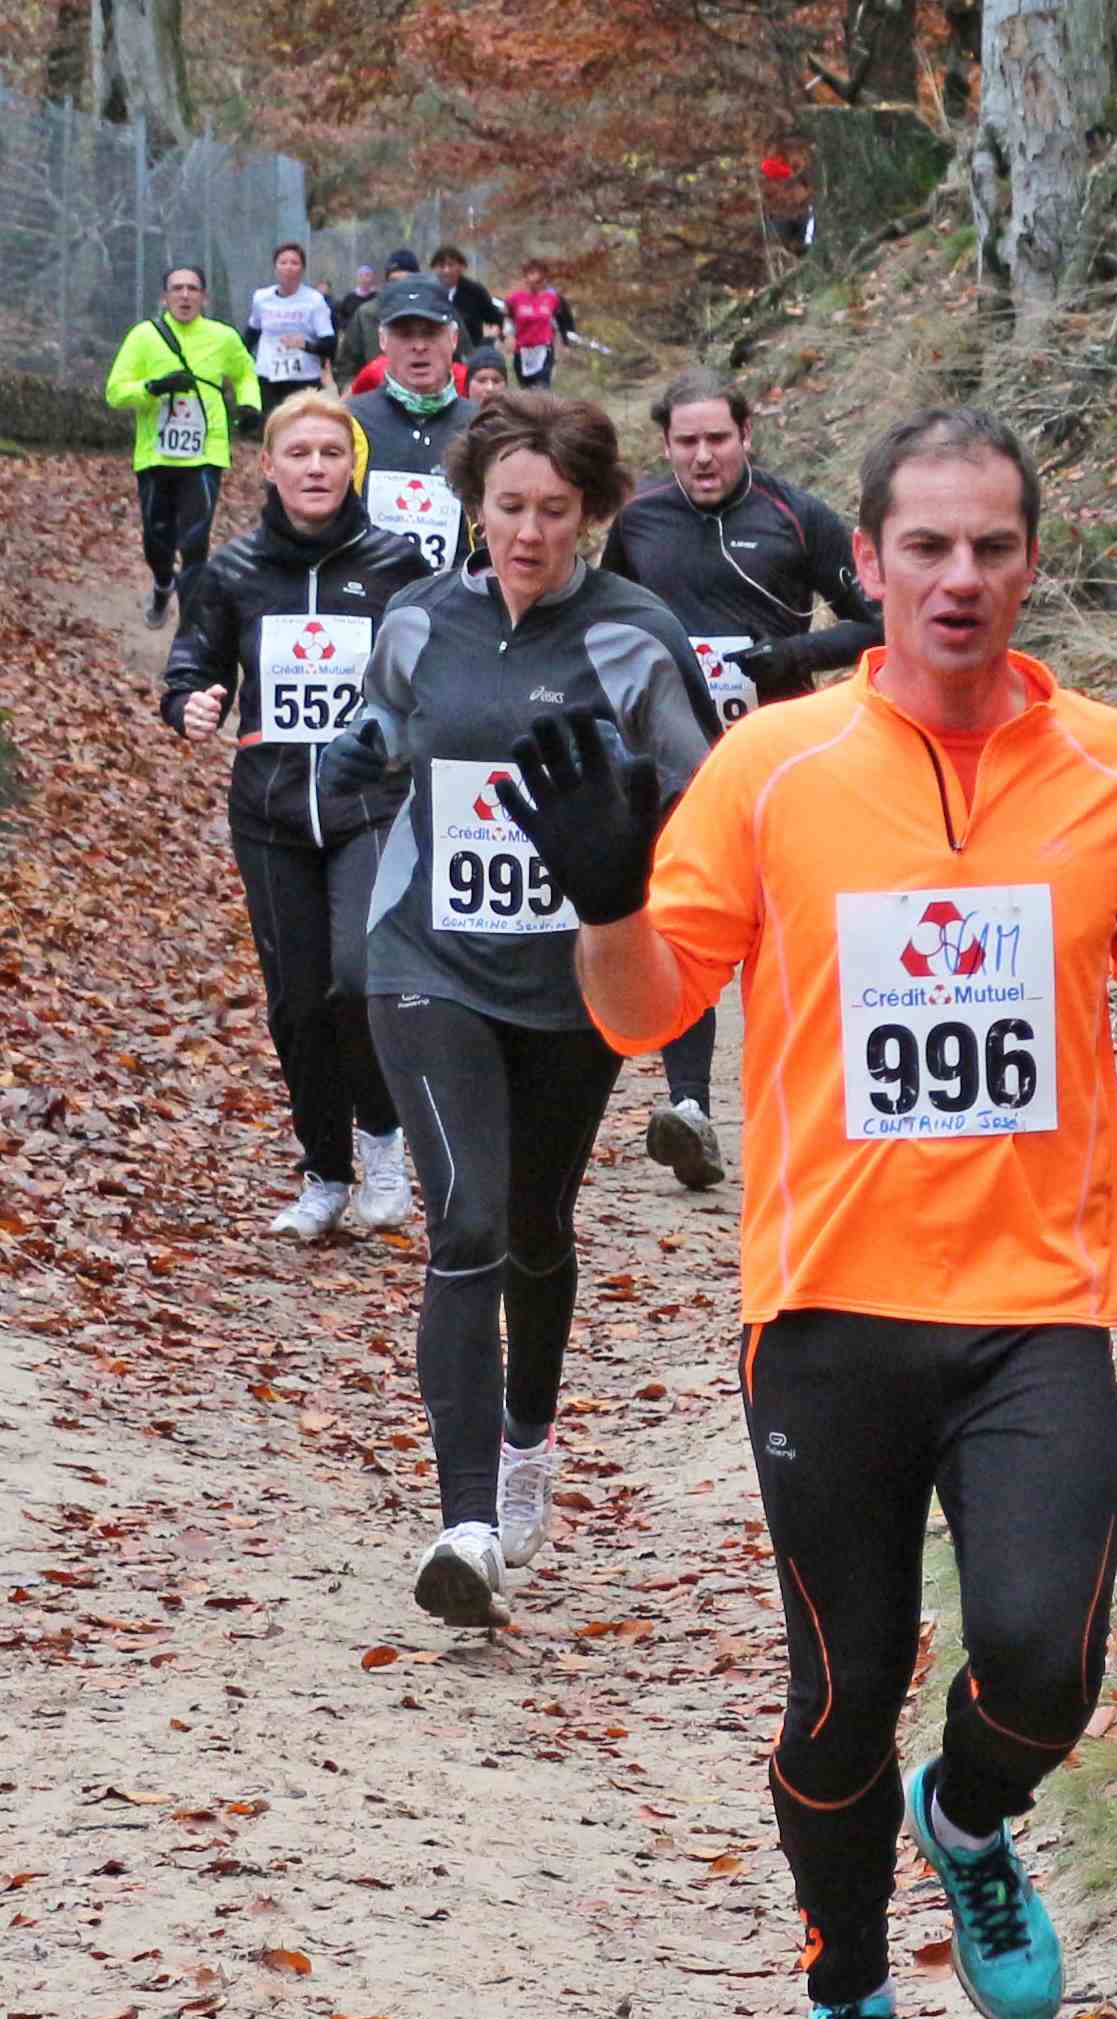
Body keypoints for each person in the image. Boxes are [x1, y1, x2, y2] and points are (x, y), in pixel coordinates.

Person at [523, 406, 1117, 2019]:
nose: (958, 578)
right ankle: (849, 1990)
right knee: (841, 1689)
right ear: (863, 564)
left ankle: (970, 1813)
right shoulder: (773, 770)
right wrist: (604, 899)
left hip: (1035, 1305)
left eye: (990, 547)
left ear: (1030, 564)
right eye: (925, 547)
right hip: (826, 1309)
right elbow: (642, 1014)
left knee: (1044, 1660)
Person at [316, 392, 719, 1627]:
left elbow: (708, 797)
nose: (529, 534)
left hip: (572, 980)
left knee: (539, 1224)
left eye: (554, 511)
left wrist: (625, 848)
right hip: (426, 958)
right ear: (473, 507)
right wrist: (346, 771)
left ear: (590, 513)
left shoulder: (633, 635)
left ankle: (527, 1438)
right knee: (469, 1220)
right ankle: (468, 1526)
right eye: (508, 508)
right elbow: (377, 732)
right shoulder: (419, 619)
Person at [596, 368, 885, 1191]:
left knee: (789, 931)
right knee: (681, 924)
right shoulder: (640, 522)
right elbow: (603, 624)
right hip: (675, 764)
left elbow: (880, 620)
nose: (703, 456)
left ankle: (812, 1109)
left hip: (782, 759)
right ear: (665, 445)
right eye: (686, 442)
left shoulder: (796, 515)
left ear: (746, 436)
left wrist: (793, 654)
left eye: (717, 439)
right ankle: (690, 1109)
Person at [161, 389, 436, 1240]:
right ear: (269, 466)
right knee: (297, 1002)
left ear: (352, 465)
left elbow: (434, 671)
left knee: (358, 976)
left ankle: (382, 1145)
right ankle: (324, 1173)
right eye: (299, 453)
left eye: (331, 453)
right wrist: (190, 704)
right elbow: (192, 665)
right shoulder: (231, 571)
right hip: (271, 812)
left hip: (371, 805)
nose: (316, 467)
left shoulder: (397, 565)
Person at [105, 266, 258, 624]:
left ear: (204, 297)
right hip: (156, 455)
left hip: (205, 455)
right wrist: (153, 388)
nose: (185, 295)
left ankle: (191, 628)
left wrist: (250, 405)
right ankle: (162, 583)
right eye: (177, 289)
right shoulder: (144, 337)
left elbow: (245, 374)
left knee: (194, 542)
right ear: (164, 297)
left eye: (192, 289)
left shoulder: (223, 337)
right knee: (156, 539)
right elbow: (115, 392)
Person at [347, 275, 478, 575]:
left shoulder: (484, 426)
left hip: (458, 594)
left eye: (431, 333)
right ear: (383, 341)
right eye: (405, 335)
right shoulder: (349, 421)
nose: (419, 346)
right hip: (370, 590)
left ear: (453, 339)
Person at [242, 242, 336, 423]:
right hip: (269, 376)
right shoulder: (261, 298)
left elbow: (330, 345)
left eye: (294, 263)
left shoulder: (314, 300)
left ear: (302, 269)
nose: (288, 268)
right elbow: (251, 334)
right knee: (272, 426)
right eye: (283, 262)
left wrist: (305, 345)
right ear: (275, 267)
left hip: (304, 379)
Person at [334, 249, 417, 384]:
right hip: (375, 392)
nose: (400, 287)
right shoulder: (367, 315)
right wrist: (356, 391)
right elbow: (346, 367)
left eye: (407, 281)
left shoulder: (432, 316)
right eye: (394, 281)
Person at [502, 263, 578, 388]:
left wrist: (566, 344)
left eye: (540, 280)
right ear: (525, 278)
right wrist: (508, 336)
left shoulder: (553, 298)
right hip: (522, 351)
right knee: (526, 390)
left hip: (544, 350)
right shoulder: (515, 299)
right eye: (531, 276)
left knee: (541, 389)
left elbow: (565, 320)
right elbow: (506, 318)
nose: (535, 283)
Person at [429, 244, 504, 359]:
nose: (446, 271)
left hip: (470, 354)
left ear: (461, 267)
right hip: (437, 354)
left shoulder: (475, 291)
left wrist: (488, 342)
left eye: (451, 265)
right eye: (442, 266)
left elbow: (495, 319)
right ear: (435, 268)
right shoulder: (428, 292)